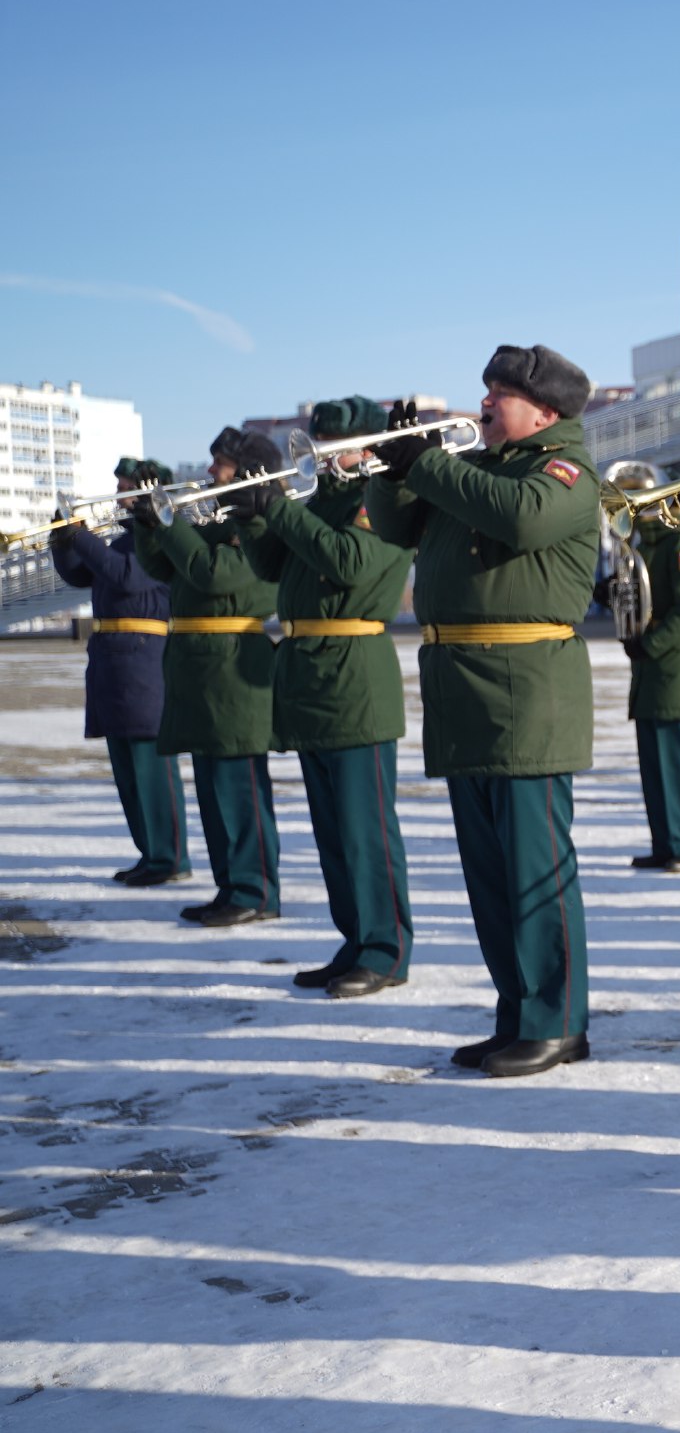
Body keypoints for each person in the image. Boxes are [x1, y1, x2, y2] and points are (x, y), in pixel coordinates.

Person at [367, 348, 601, 1079]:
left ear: (546, 412)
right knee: (489, 874)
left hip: (528, 691)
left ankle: (558, 1021)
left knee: (535, 869)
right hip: (464, 689)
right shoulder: (479, 469)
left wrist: (431, 464)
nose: (487, 404)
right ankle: (517, 1013)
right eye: (488, 391)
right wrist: (389, 464)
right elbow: (397, 526)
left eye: (503, 394)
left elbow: (522, 521)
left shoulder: (563, 472)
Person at [257, 397, 416, 997]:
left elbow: (348, 562)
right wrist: (257, 511)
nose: (320, 454)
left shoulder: (381, 498)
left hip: (355, 680)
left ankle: (386, 949)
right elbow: (270, 566)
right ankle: (355, 942)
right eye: (316, 442)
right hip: (311, 678)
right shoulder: (323, 499)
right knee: (331, 835)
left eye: (332, 445)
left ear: (365, 447)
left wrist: (284, 511)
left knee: (365, 831)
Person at [132, 429, 283, 927]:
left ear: (248, 473)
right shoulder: (218, 520)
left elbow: (212, 574)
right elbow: (163, 567)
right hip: (201, 667)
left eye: (221, 464)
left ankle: (255, 890)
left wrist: (171, 524)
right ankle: (229, 886)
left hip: (235, 665)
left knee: (239, 789)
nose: (211, 472)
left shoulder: (260, 525)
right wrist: (147, 523)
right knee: (213, 793)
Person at [50, 458, 190, 887]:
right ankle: (150, 853)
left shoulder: (160, 537)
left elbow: (126, 578)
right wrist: (63, 542)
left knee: (151, 769)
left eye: (127, 488)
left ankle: (170, 857)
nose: (118, 497)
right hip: (114, 662)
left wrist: (83, 536)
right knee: (127, 772)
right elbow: (81, 575)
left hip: (145, 660)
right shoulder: (124, 539)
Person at [620, 470, 680, 874]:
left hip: (675, 664)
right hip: (651, 668)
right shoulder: (645, 545)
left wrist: (650, 644)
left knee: (675, 760)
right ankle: (665, 842)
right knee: (652, 762)